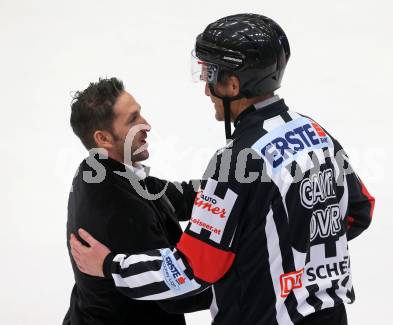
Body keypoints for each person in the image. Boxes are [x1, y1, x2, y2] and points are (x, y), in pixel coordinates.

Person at [70, 14, 375, 325]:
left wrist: (110, 266)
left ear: (233, 84)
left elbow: (192, 270)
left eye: (210, 76)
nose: (206, 90)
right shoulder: (316, 133)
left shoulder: (234, 162)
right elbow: (360, 210)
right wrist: (293, 255)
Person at [64, 77, 211, 325]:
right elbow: (177, 292)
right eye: (132, 120)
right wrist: (249, 276)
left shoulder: (103, 170)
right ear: (103, 138)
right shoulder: (116, 206)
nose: (147, 125)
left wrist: (234, 189)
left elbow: (175, 197)